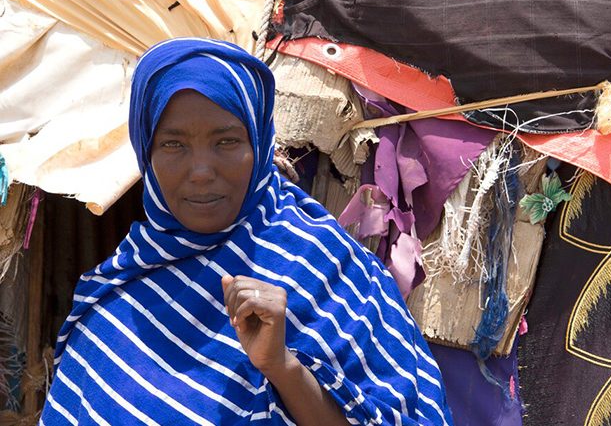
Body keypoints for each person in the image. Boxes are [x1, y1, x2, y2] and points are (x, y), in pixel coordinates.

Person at [40, 38, 453, 425]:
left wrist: (283, 367)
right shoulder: (128, 274)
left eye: (226, 141)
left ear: (258, 143)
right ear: (144, 149)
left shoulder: (331, 271)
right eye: (173, 145)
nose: (201, 172)